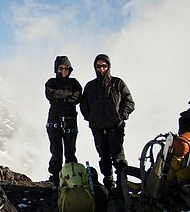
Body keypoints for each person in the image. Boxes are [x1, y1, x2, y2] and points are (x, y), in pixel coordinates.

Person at [80, 54, 135, 190]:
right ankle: (109, 186)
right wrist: (90, 118)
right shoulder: (90, 86)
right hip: (97, 128)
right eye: (98, 66)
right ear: (95, 67)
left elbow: (129, 102)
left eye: (104, 66)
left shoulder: (118, 83)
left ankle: (123, 186)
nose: (101, 69)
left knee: (118, 157)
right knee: (103, 157)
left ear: (108, 67)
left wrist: (121, 117)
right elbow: (83, 104)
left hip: (115, 127)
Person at [45, 56, 82, 187]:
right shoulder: (51, 83)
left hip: (70, 121)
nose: (63, 71)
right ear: (56, 69)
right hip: (54, 121)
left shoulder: (74, 83)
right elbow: (51, 95)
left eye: (66, 68)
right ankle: (56, 181)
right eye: (60, 68)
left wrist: (60, 98)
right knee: (56, 151)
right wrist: (68, 95)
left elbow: (77, 97)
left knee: (70, 152)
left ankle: (71, 181)